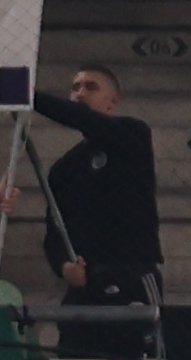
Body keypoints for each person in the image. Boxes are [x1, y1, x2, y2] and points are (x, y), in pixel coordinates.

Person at [30, 60, 161, 305]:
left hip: (129, 275)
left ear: (112, 101)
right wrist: (64, 266)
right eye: (75, 88)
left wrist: (27, 95)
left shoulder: (133, 134)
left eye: (91, 87)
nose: (80, 93)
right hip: (84, 282)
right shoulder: (63, 168)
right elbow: (54, 230)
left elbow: (83, 118)